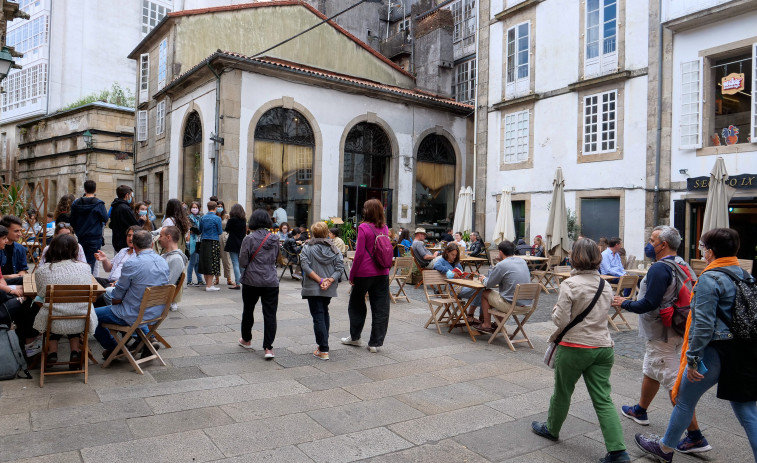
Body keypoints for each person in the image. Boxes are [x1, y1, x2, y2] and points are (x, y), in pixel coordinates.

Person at [635, 228, 757, 462]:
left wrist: (693, 359)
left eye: (702, 248)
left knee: (683, 399)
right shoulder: (745, 275)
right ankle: (671, 445)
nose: (702, 252)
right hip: (744, 351)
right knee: (748, 412)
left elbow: (702, 326)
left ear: (710, 253)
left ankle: (666, 448)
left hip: (716, 351)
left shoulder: (710, 278)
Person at [531, 238, 630, 463]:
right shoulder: (605, 284)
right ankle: (618, 451)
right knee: (603, 399)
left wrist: (555, 310)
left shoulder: (570, 284)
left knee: (563, 392)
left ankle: (552, 428)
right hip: (603, 347)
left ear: (575, 257)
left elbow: (561, 320)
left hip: (575, 346)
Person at [611, 226, 706, 450]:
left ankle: (695, 436)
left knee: (672, 382)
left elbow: (649, 303)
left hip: (661, 331)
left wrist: (624, 303)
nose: (649, 243)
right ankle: (640, 410)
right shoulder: (683, 265)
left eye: (652, 239)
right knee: (651, 367)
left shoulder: (659, 269)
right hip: (679, 327)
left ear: (663, 244)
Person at [93, 230, 170, 360]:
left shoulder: (132, 263)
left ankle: (114, 348)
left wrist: (116, 301)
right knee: (132, 304)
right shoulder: (162, 261)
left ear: (134, 246)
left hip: (134, 313)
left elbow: (118, 293)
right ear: (152, 244)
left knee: (90, 315)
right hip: (156, 311)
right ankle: (147, 341)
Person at [32, 234, 98, 370]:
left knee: (55, 310)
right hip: (81, 318)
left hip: (53, 320)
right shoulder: (85, 268)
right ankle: (75, 351)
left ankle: (52, 352)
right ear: (75, 250)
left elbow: (41, 294)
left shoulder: (42, 271)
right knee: (71, 309)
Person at [341, 199, 391, 353]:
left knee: (356, 304)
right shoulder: (385, 228)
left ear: (368, 211)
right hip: (383, 272)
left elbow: (359, 254)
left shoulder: (363, 227)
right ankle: (375, 343)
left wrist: (352, 275)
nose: (363, 210)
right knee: (381, 307)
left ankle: (355, 338)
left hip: (364, 273)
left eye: (364, 208)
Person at [238, 209, 280, 359]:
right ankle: (268, 348)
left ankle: (246, 339)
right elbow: (275, 258)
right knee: (270, 314)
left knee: (248, 310)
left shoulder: (248, 239)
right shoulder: (275, 239)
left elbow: (242, 262)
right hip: (271, 281)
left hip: (251, 280)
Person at [300, 221, 344, 360]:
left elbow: (305, 267)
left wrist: (320, 281)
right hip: (328, 288)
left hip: (313, 287)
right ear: (326, 233)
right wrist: (329, 280)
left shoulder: (307, 248)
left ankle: (323, 349)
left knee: (318, 315)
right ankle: (323, 345)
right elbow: (340, 268)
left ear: (314, 233)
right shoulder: (334, 249)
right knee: (324, 312)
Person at [0, 224, 40, 356]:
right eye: (4, 238)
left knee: (28, 289)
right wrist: (12, 291)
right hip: (2, 303)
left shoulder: (18, 248)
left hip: (3, 292)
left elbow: (2, 281)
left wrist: (16, 287)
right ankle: (30, 347)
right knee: (31, 304)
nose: (6, 241)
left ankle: (25, 342)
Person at [476, 240, 532, 332]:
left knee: (485, 293)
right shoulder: (522, 261)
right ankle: (498, 324)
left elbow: (489, 284)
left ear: (500, 252)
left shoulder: (501, 265)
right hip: (527, 305)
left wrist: (483, 279)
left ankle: (486, 324)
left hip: (512, 305)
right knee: (503, 295)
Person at [69, 180, 109, 272]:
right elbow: (105, 218)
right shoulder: (99, 204)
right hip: (94, 236)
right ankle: (87, 281)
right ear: (95, 189)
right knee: (91, 262)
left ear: (85, 189)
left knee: (81, 259)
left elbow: (72, 220)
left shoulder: (76, 203)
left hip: (81, 235)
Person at [158, 225, 188, 311]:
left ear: (168, 237)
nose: (159, 239)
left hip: (156, 296)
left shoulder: (176, 259)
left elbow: (168, 283)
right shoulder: (165, 255)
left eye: (161, 236)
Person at [198, 201, 223, 291]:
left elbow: (200, 230)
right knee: (213, 262)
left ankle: (208, 284)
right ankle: (209, 285)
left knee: (205, 262)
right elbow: (220, 231)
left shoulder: (203, 218)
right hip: (213, 241)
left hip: (204, 241)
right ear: (215, 208)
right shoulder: (217, 218)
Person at [109, 185, 139, 253]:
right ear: (127, 195)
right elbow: (135, 225)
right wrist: (141, 221)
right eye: (131, 195)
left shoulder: (115, 206)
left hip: (117, 240)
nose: (131, 197)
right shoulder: (125, 208)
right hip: (123, 242)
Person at [0, 215, 29, 284]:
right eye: (16, 231)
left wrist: (20, 274)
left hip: (15, 280)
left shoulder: (20, 248)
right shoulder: (0, 248)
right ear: (5, 230)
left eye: (20, 231)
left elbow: (23, 269)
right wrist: (8, 277)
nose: (20, 234)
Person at [224, 204, 246, 290]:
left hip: (233, 243)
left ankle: (237, 283)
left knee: (235, 263)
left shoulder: (232, 220)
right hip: (241, 243)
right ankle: (245, 282)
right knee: (241, 264)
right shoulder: (243, 220)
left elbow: (227, 229)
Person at [186, 201, 204, 286]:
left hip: (199, 241)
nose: (195, 209)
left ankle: (200, 280)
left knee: (197, 262)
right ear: (190, 209)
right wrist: (198, 231)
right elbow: (195, 229)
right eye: (193, 207)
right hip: (192, 242)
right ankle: (189, 280)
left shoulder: (200, 217)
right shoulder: (189, 218)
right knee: (193, 262)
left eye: (196, 207)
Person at [216, 200, 233, 287]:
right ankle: (217, 278)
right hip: (215, 236)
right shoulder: (214, 216)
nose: (219, 208)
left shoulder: (226, 216)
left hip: (224, 236)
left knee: (226, 258)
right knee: (216, 258)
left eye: (220, 206)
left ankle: (228, 278)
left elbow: (230, 227)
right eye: (218, 206)